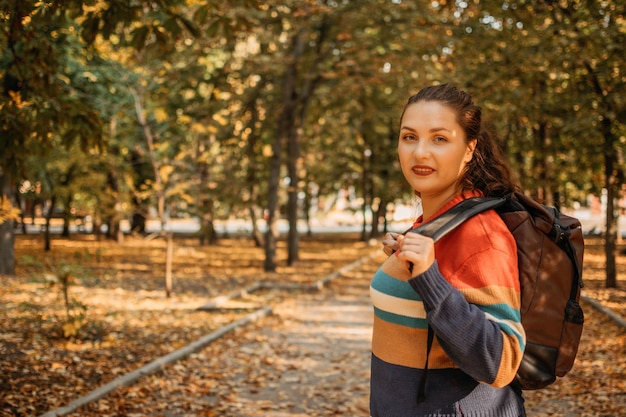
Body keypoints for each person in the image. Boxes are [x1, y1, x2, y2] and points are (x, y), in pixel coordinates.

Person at [370, 83, 526, 417]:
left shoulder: (481, 234)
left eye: (439, 139)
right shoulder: (436, 224)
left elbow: (501, 362)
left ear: (469, 149)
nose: (420, 152)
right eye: (409, 137)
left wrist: (429, 277)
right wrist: (407, 265)